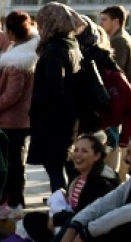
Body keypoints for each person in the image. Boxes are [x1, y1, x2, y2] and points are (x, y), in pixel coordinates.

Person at [10, 132, 117, 242]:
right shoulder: (78, 174)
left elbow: (85, 215)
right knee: (32, 219)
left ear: (97, 156)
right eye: (76, 150)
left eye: (84, 151)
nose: (78, 155)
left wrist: (56, 218)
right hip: (70, 220)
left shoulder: (101, 183)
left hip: (85, 231)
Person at [0, 11, 39, 221]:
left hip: (11, 120)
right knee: (13, 163)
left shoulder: (18, 60)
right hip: (18, 119)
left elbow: (13, 93)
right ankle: (13, 201)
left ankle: (13, 203)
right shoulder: (25, 46)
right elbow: (2, 38)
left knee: (11, 165)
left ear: (12, 32)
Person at [28, 2, 84, 194]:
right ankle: (70, 204)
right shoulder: (72, 44)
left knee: (54, 168)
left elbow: (53, 87)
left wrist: (36, 105)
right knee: (66, 166)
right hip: (69, 116)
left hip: (52, 120)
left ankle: (60, 210)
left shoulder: (54, 49)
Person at [100, 5, 131, 106]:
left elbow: (116, 71)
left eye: (104, 19)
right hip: (127, 96)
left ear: (115, 21)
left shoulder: (118, 40)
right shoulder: (125, 37)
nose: (100, 23)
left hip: (122, 98)